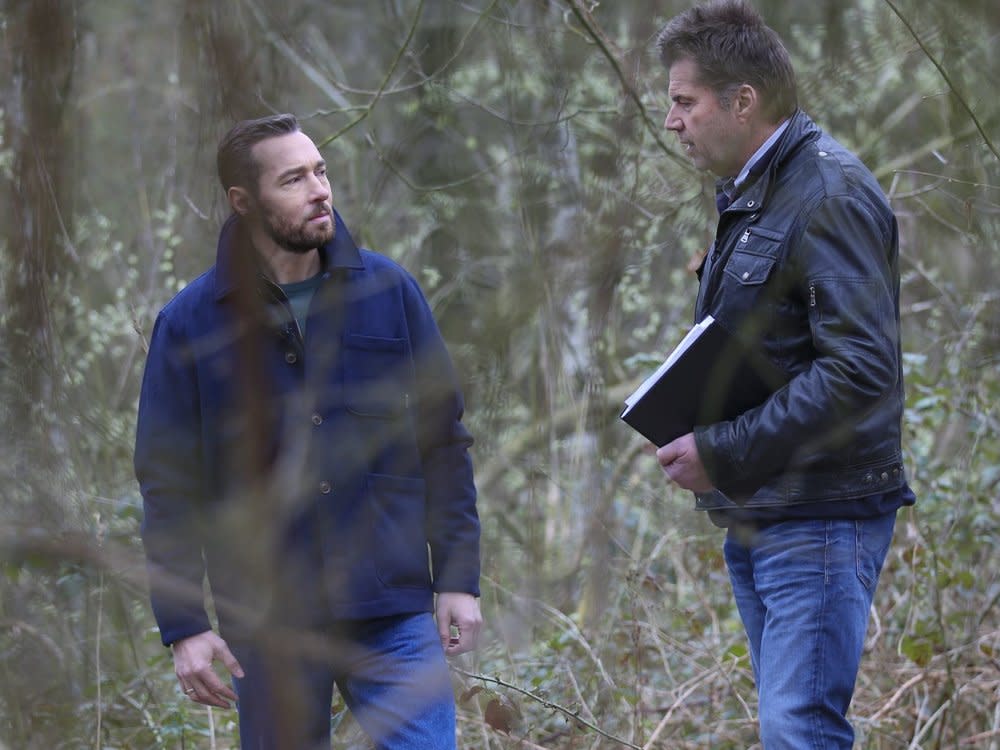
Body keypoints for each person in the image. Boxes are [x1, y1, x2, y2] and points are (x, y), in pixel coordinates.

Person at [134, 113, 482, 749]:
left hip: (393, 608)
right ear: (244, 202)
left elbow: (444, 443)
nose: (320, 189)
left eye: (320, 171)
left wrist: (457, 576)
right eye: (293, 179)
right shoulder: (189, 325)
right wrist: (184, 623)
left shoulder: (390, 291)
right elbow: (168, 486)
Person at [652, 2, 915, 747]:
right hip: (768, 511)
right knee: (790, 729)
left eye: (684, 101)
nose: (672, 121)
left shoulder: (828, 194)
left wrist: (723, 450)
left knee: (798, 730)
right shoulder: (754, 193)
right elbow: (776, 351)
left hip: (822, 514)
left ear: (744, 101)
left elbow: (861, 370)